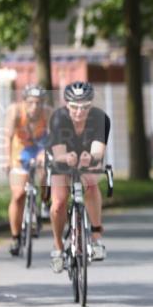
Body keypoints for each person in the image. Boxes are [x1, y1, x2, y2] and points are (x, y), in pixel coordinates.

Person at [48, 81, 111, 272]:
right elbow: (58, 153)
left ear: (90, 105)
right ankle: (58, 246)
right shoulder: (58, 118)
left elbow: (98, 153)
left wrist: (90, 157)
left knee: (91, 182)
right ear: (67, 105)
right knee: (59, 202)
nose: (78, 112)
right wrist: (66, 157)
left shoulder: (100, 118)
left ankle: (96, 235)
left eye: (84, 107)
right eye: (74, 107)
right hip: (62, 157)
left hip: (85, 157)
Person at [4, 84, 51, 256]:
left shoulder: (48, 113)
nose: (34, 107)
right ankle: (15, 238)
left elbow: (54, 138)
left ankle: (45, 201)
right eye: (30, 102)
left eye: (38, 103)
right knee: (18, 195)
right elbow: (8, 137)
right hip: (20, 151)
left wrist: (45, 153)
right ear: (24, 101)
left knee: (46, 169)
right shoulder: (15, 112)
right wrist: (7, 161)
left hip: (41, 147)